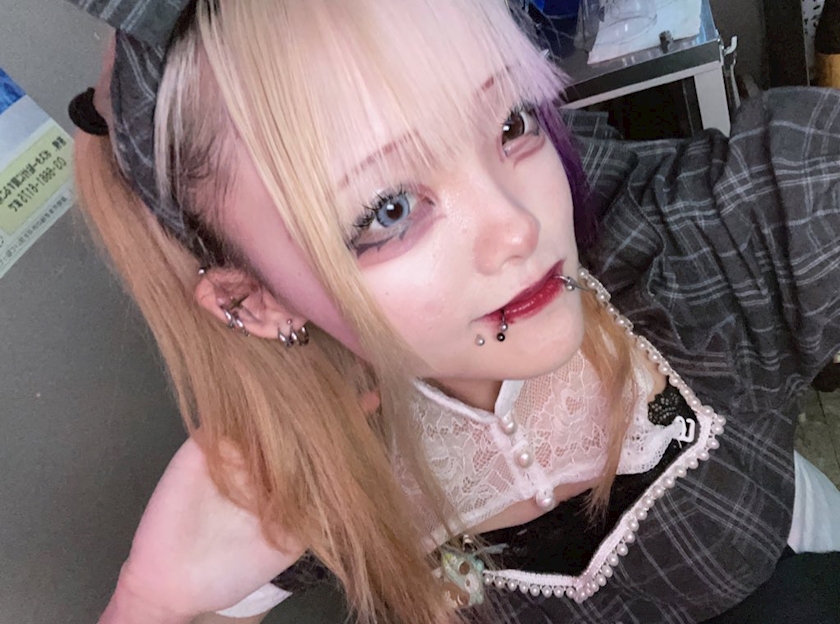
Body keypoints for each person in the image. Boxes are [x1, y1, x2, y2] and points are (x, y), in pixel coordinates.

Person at [65, 1, 840, 623]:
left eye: (510, 123)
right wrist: (149, 604)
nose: (519, 227)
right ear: (255, 302)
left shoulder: (707, 243)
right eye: (391, 209)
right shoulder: (297, 470)